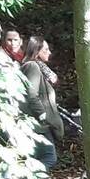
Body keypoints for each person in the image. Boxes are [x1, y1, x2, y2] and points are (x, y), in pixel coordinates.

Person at [19, 36, 65, 169]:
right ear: (37, 51)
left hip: (36, 124)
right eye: (46, 49)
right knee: (49, 158)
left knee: (35, 158)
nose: (49, 52)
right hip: (38, 125)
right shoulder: (32, 66)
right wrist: (43, 115)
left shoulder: (38, 69)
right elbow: (31, 95)